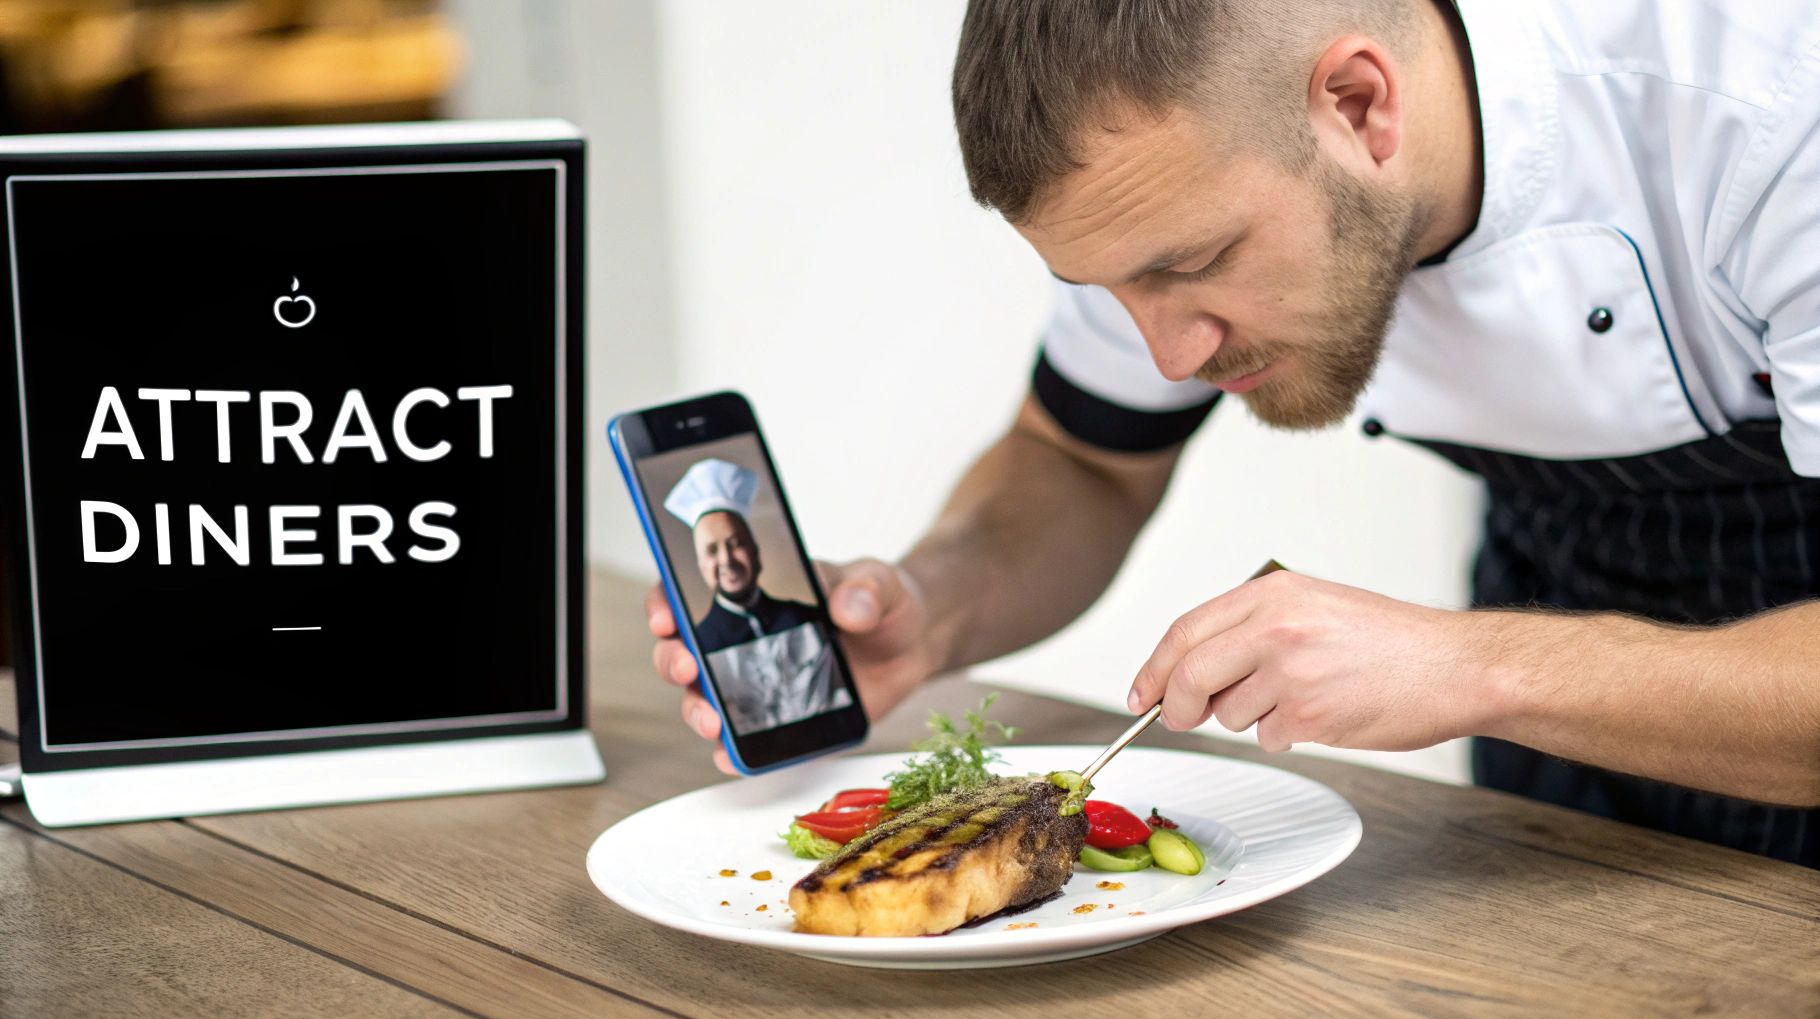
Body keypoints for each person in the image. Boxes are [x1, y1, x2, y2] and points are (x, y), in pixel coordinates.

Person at [648, 0, 1820, 866]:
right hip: (1552, 797)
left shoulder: (1768, 120)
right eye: (1112, 291)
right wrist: (931, 600)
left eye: (1192, 266)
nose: (1166, 354)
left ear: (1359, 104)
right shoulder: (1158, 189)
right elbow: (1082, 457)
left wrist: (1471, 664)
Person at [663, 458, 848, 732]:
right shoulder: (701, 644)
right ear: (702, 566)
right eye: (712, 550)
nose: (726, 560)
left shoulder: (806, 617)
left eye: (736, 544)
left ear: (755, 553)